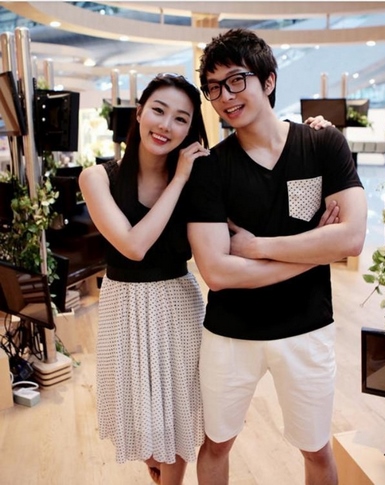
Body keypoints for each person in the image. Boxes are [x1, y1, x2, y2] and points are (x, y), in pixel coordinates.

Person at [186, 28, 367, 485]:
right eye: (214, 88)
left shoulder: (322, 145)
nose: (225, 97)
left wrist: (257, 247)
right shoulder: (210, 168)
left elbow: (351, 239)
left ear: (268, 80)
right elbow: (217, 272)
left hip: (307, 327)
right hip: (230, 333)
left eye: (236, 80)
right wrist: (314, 251)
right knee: (216, 444)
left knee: (317, 449)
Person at [79, 73, 211, 485]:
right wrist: (180, 179)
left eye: (181, 119)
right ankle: (158, 466)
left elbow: (235, 227)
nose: (165, 125)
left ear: (190, 130)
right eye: (158, 110)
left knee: (178, 412)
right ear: (139, 113)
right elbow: (133, 246)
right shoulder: (97, 178)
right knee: (143, 416)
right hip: (124, 305)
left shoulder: (197, 175)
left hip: (178, 302)